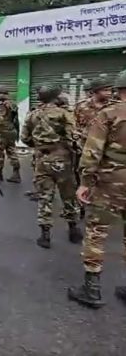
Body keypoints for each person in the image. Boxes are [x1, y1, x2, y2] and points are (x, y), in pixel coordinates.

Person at [67, 70, 126, 309]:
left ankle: (91, 289)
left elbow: (92, 151)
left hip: (110, 181)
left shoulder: (109, 114)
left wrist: (84, 182)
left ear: (119, 88)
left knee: (96, 232)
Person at [21, 84, 83, 249]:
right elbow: (73, 138)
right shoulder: (64, 114)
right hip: (62, 159)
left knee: (45, 196)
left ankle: (45, 235)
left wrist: (40, 145)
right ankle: (73, 229)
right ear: (56, 96)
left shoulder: (32, 114)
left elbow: (25, 138)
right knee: (68, 195)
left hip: (41, 159)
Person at [0, 86, 21, 183]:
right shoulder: (12, 104)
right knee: (12, 152)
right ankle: (16, 174)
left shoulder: (3, 106)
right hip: (11, 131)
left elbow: (0, 121)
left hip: (3, 133)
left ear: (3, 94)